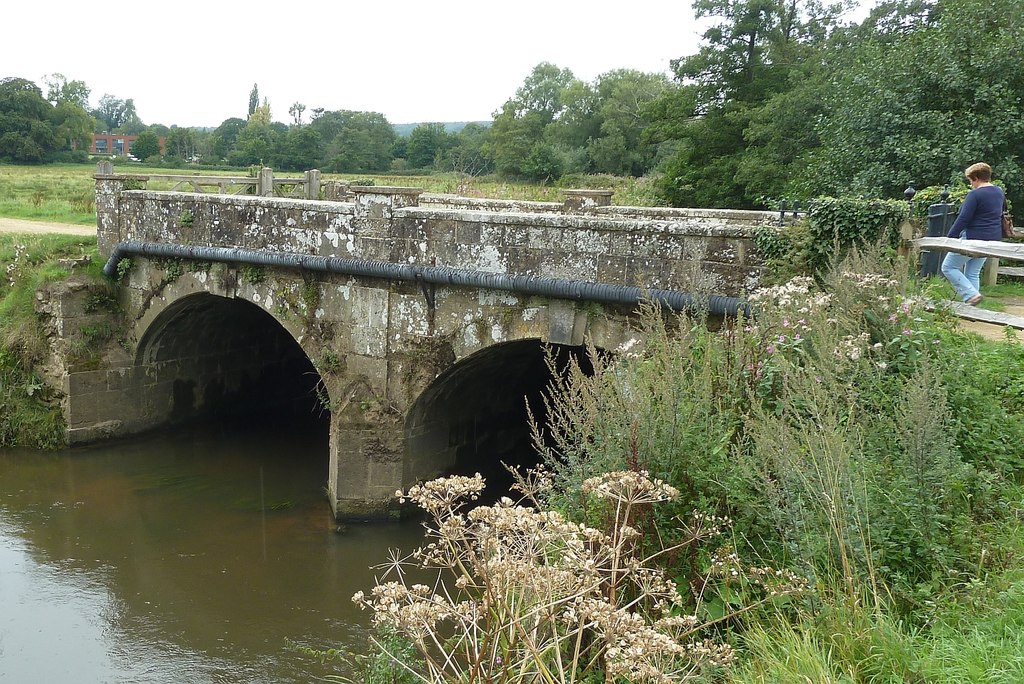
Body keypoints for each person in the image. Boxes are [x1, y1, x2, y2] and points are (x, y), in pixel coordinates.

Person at [940, 162, 1005, 305]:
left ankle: (971, 294)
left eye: (970, 180)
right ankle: (973, 308)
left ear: (976, 177)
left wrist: (950, 238)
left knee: (948, 267)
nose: (970, 183)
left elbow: (963, 218)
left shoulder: (975, 194)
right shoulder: (999, 192)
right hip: (992, 239)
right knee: (972, 273)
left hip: (973, 238)